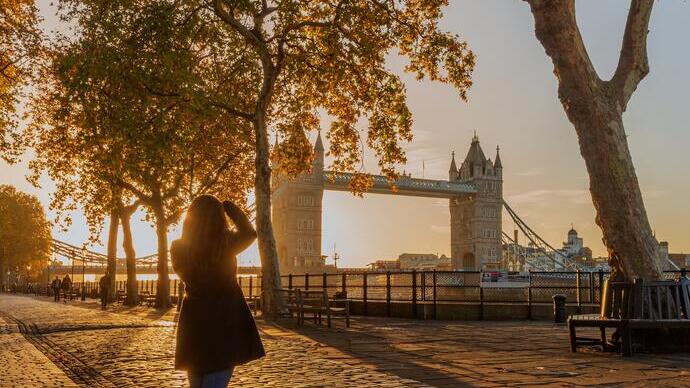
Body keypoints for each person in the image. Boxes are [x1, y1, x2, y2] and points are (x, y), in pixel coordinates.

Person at [171, 195, 264, 388]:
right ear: (219, 217)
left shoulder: (178, 247)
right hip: (226, 322)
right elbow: (250, 233)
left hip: (195, 325)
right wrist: (228, 206)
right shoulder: (227, 243)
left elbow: (190, 276)